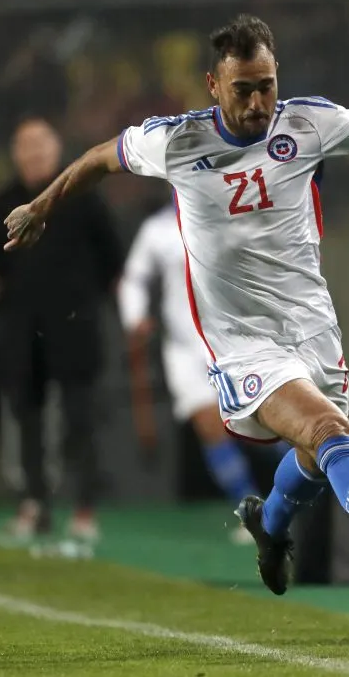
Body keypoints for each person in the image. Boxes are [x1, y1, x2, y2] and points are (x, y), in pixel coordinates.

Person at [0, 14, 349, 595]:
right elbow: (99, 157)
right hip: (243, 341)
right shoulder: (176, 141)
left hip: (312, 325)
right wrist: (42, 205)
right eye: (242, 88)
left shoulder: (308, 124)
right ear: (212, 86)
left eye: (266, 85)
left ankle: (270, 527)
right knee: (328, 430)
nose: (256, 101)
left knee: (318, 454)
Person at [0, 116, 124, 542]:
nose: (34, 152)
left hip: (74, 325)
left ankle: (84, 509)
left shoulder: (82, 196)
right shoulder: (5, 197)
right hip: (23, 326)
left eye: (42, 144)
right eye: (26, 145)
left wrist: (90, 301)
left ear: (57, 149)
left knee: (80, 419)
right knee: (27, 418)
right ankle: (34, 503)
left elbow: (113, 259)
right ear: (15, 153)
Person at [118, 200, 270, 544]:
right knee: (209, 426)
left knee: (265, 423)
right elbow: (134, 278)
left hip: (237, 341)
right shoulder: (156, 229)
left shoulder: (232, 212)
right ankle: (253, 512)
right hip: (185, 349)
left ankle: (304, 499)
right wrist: (135, 316)